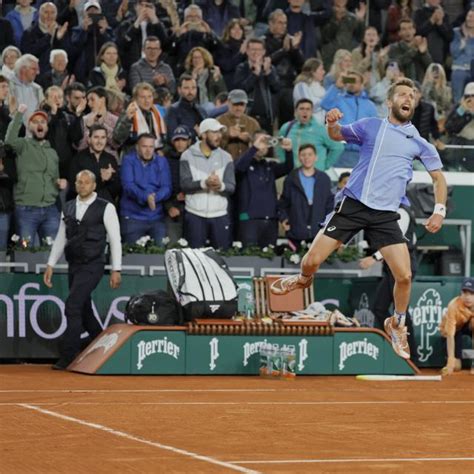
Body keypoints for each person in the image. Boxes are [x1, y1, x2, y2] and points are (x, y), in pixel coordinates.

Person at [270, 78, 448, 362]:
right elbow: (337, 135)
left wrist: (439, 210)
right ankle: (303, 279)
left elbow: (438, 178)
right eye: (402, 94)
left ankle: (397, 323)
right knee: (312, 262)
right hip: (353, 204)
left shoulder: (419, 142)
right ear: (389, 102)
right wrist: (330, 122)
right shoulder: (371, 125)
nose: (408, 98)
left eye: (412, 95)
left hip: (385, 215)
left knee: (404, 276)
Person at [43, 169, 122, 370]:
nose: (82, 185)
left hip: (93, 264)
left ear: (94, 185)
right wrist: (51, 263)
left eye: (87, 182)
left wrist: (116, 269)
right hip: (74, 264)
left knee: (73, 305)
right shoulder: (68, 207)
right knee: (84, 309)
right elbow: (62, 236)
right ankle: (103, 345)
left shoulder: (106, 207)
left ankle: (69, 355)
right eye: (79, 182)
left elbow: (115, 239)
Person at [358, 203, 418, 355]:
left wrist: (374, 258)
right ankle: (394, 345)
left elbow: (396, 241)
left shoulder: (402, 212)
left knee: (402, 310)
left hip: (405, 265)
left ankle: (411, 355)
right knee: (379, 307)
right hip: (391, 266)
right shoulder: (386, 211)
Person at [5, 104, 64, 245]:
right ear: (29, 126)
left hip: (50, 209)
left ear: (47, 127)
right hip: (26, 209)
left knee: (52, 252)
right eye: (35, 122)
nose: (40, 124)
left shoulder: (52, 152)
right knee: (26, 252)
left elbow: (55, 177)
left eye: (43, 122)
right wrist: (19, 115)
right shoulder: (23, 145)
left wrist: (59, 183)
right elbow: (9, 140)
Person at [180, 118, 235, 249]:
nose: (219, 136)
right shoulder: (187, 156)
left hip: (220, 215)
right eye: (214, 132)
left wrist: (220, 185)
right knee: (195, 260)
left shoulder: (226, 157)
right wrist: (205, 183)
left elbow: (231, 187)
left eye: (220, 133)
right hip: (194, 215)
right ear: (203, 134)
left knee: (221, 258)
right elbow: (185, 185)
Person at [234, 132, 293, 247]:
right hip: (249, 220)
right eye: (260, 142)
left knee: (269, 259)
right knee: (249, 259)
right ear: (252, 144)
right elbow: (238, 168)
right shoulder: (242, 163)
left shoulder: (269, 166)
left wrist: (289, 151)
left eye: (266, 143)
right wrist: (254, 148)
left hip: (270, 220)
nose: (263, 146)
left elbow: (288, 168)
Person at [120, 133, 172, 244]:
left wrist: (155, 197)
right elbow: (128, 186)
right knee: (132, 256)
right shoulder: (128, 160)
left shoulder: (162, 161)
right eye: (144, 146)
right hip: (132, 217)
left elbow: (167, 187)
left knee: (159, 255)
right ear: (137, 147)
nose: (148, 150)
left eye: (151, 147)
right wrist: (146, 197)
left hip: (156, 217)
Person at [278, 143, 334, 248]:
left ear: (316, 157)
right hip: (296, 230)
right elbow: (283, 202)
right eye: (303, 155)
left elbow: (329, 204)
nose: (307, 158)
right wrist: (284, 219)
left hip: (318, 231)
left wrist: (328, 223)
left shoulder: (324, 178)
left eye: (310, 154)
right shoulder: (291, 178)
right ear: (299, 157)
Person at [320, 71, 378, 167]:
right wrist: (337, 87)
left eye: (354, 81)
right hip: (340, 151)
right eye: (348, 80)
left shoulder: (370, 106)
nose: (351, 84)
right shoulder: (338, 99)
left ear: (361, 84)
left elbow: (374, 130)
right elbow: (324, 104)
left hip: (361, 154)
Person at [277, 98, 344, 171]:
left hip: (315, 176)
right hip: (293, 175)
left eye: (308, 109)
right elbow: (278, 146)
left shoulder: (321, 129)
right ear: (295, 111)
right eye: (302, 109)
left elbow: (338, 147)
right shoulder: (287, 127)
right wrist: (284, 163)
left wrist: (325, 165)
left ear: (312, 112)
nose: (305, 112)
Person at [70, 124, 121, 204]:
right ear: (89, 139)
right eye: (96, 137)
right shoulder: (78, 159)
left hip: (105, 205)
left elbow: (117, 189)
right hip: (84, 205)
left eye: (103, 137)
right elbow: (73, 187)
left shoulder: (111, 159)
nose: (100, 141)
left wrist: (110, 179)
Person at [114, 82, 167, 153]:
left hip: (154, 155)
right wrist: (127, 119)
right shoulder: (128, 113)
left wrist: (163, 151)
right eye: (143, 97)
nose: (147, 101)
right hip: (133, 155)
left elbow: (165, 139)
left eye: (149, 96)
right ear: (135, 98)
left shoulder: (158, 113)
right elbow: (117, 138)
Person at [163, 126, 193, 244]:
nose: (180, 144)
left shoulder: (195, 159)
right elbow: (161, 185)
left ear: (189, 141)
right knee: (173, 245)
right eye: (177, 140)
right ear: (172, 142)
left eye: (183, 140)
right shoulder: (166, 161)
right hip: (172, 206)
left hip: (193, 207)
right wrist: (169, 206)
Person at [439, 277, 474, 375]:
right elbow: (450, 335)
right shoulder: (453, 306)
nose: (467, 297)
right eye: (465, 293)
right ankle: (452, 361)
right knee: (456, 366)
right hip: (454, 331)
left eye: (471, 294)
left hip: (468, 325)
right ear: (461, 294)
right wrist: (450, 361)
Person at [217, 89, 260, 160]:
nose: (239, 108)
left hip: (248, 165)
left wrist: (250, 140)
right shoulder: (219, 122)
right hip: (225, 164)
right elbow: (211, 147)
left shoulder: (253, 123)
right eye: (235, 104)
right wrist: (227, 135)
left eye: (242, 104)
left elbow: (261, 149)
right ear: (228, 103)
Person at [165, 74, 208, 143]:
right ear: (179, 90)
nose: (190, 92)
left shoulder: (201, 110)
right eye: (186, 88)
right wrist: (196, 134)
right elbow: (172, 136)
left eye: (193, 88)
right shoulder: (173, 110)